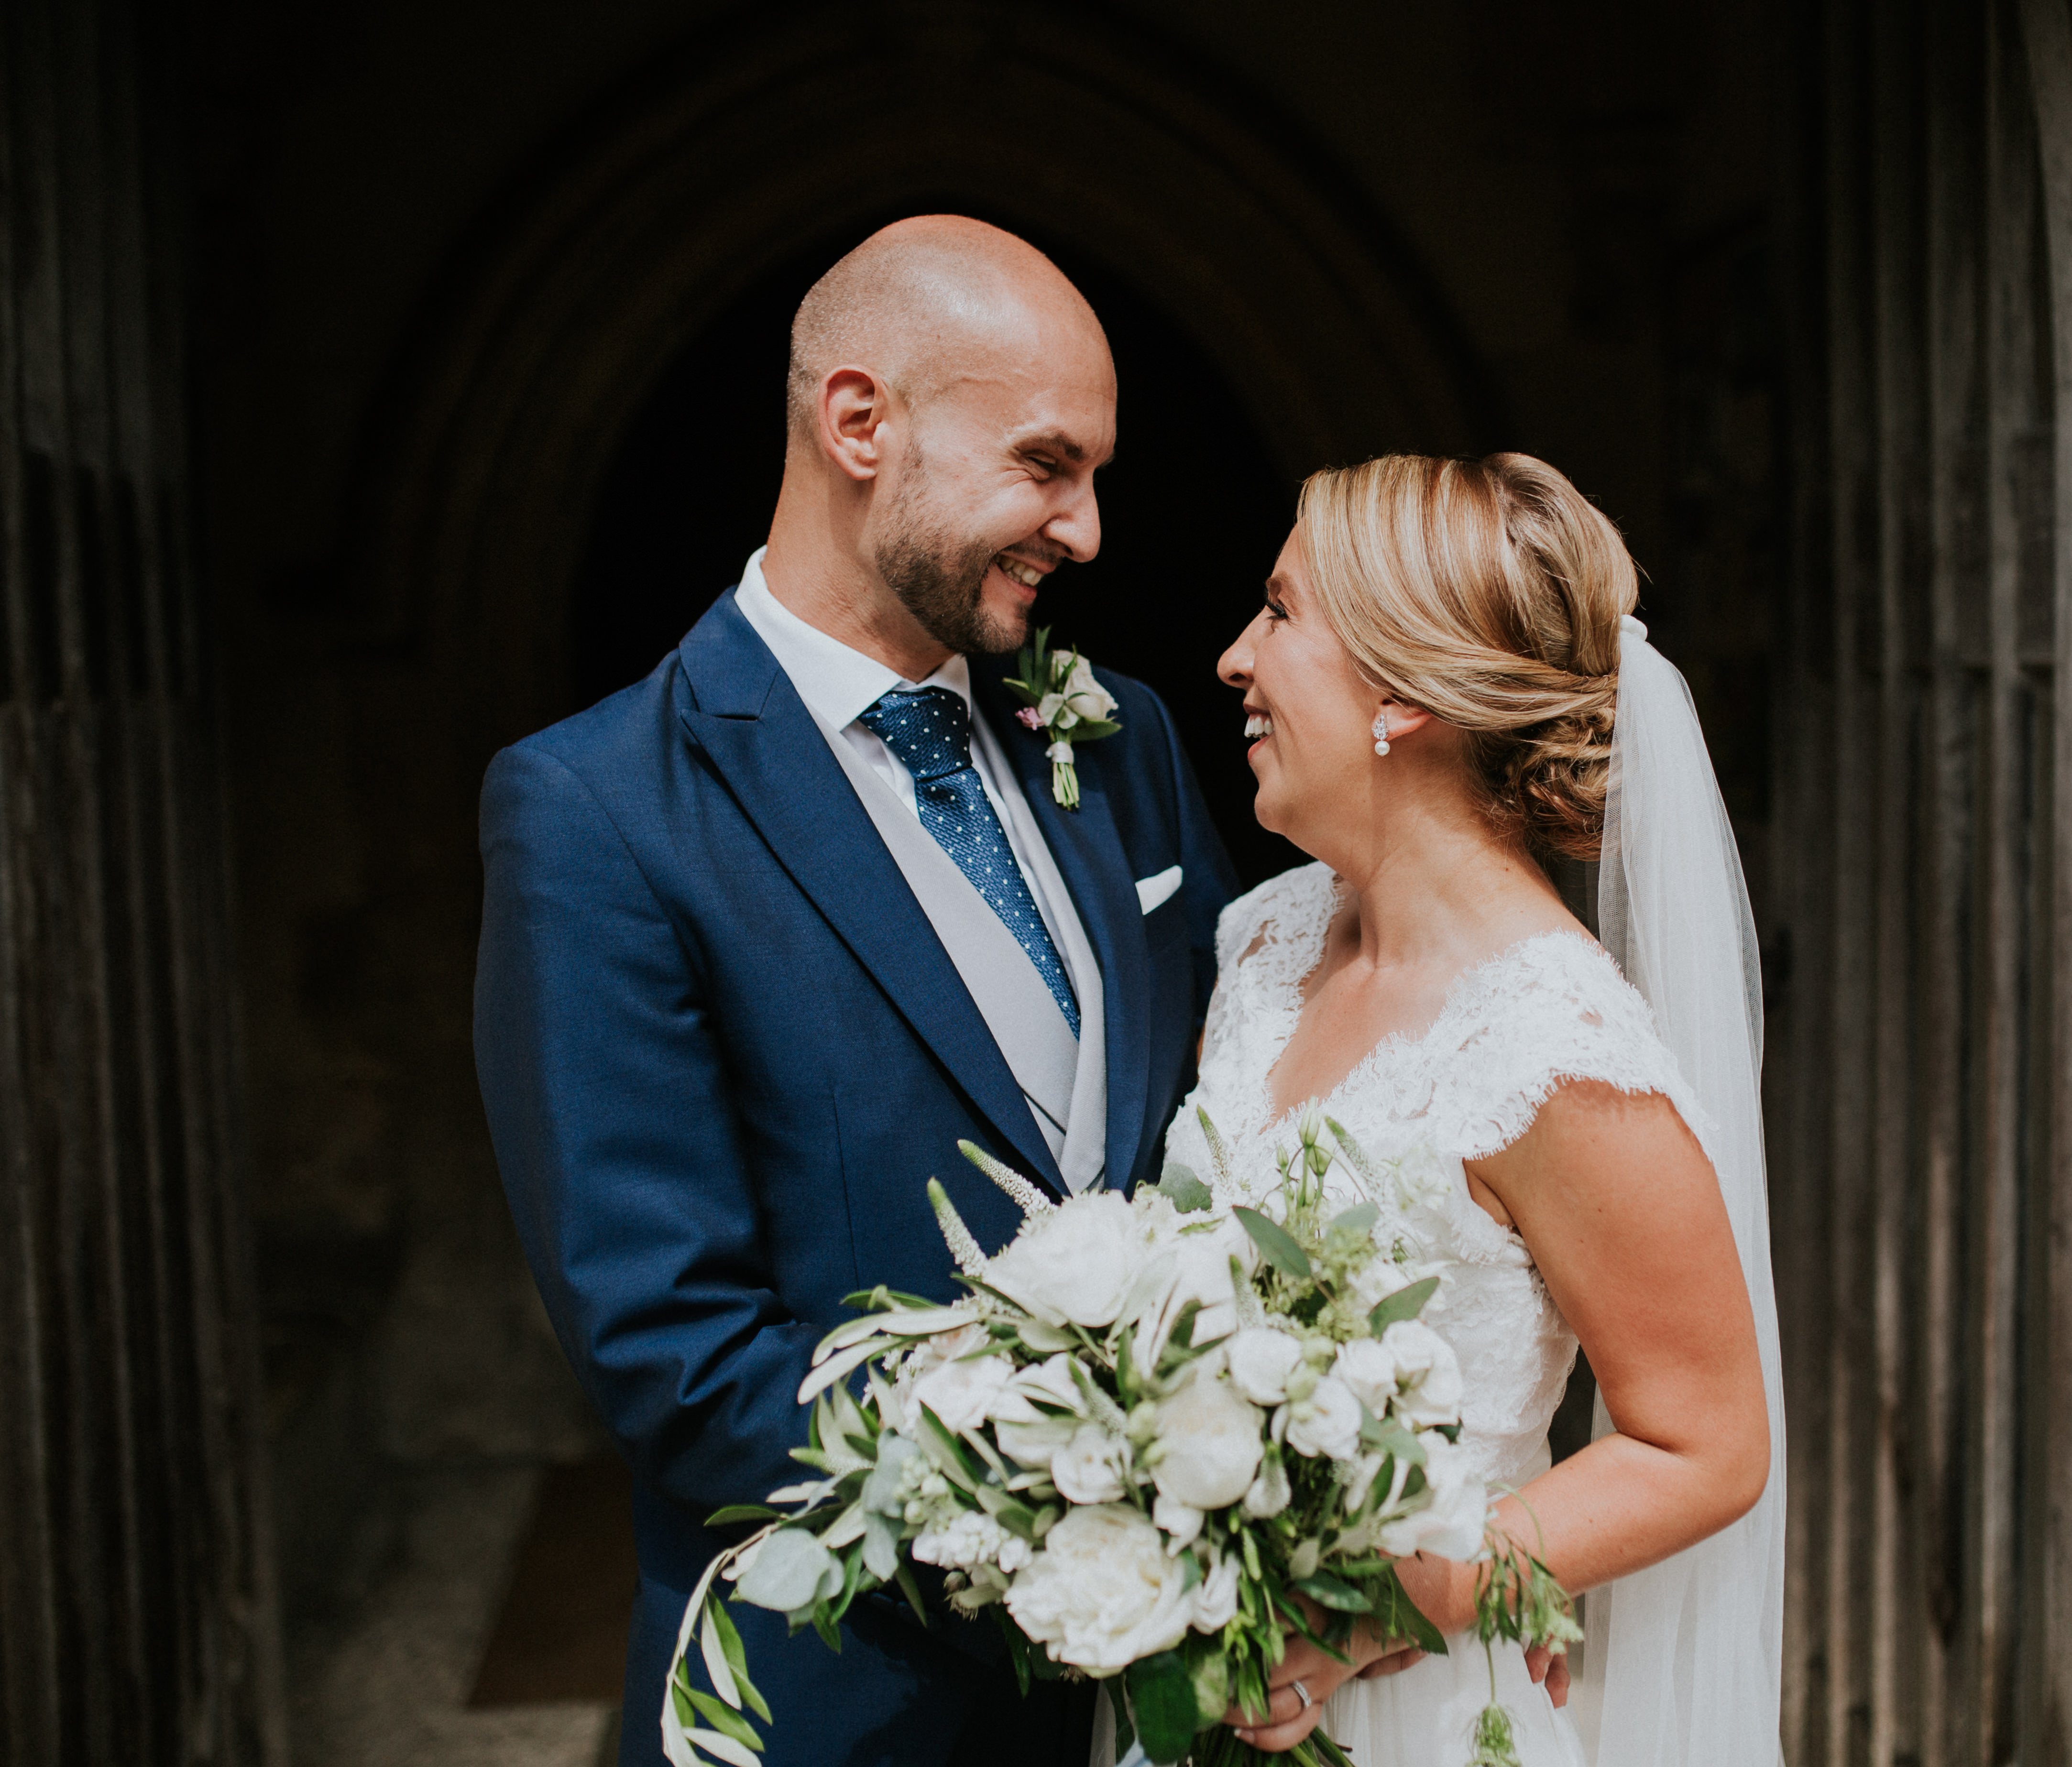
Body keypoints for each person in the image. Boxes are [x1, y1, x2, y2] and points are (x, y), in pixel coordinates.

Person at [473, 216, 1235, 1767]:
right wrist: (1073, 1493)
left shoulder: (1125, 739)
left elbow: (1237, 1125)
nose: (1086, 530)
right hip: (846, 1702)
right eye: (1045, 465)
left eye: (1094, 475)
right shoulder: (598, 810)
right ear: (861, 423)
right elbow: (672, 1359)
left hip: (1186, 1690)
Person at [1157, 452, 1787, 1766]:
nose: (1233, 657)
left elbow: (1708, 1445)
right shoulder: (1266, 939)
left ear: (1399, 692)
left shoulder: (1561, 1051)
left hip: (1407, 1712)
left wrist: (1413, 1592)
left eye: (1278, 613)